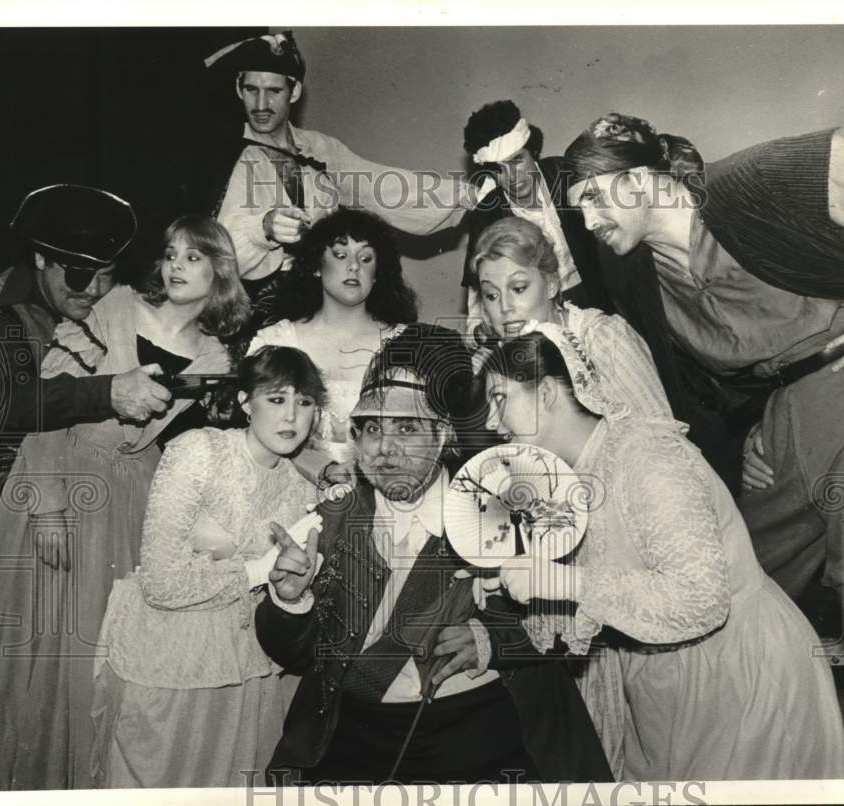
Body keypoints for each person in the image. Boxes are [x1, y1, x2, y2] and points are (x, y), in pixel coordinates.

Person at [564, 113, 844, 777]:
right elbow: (699, 383)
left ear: (644, 176)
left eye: (595, 195)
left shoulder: (741, 189)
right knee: (740, 587)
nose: (589, 220)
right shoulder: (640, 276)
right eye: (578, 207)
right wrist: (753, 429)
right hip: (786, 416)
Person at [478, 330, 844, 780]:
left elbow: (700, 597)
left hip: (742, 677)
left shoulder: (646, 456)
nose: (491, 422)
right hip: (664, 687)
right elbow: (601, 597)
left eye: (499, 398)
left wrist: (561, 581)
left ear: (545, 393)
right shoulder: (572, 476)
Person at [254, 323, 612, 784]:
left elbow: (567, 623)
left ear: (443, 434)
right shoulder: (334, 518)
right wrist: (289, 601)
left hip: (478, 733)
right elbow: (296, 656)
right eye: (372, 428)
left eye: (407, 427)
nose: (385, 449)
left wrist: (490, 638)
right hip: (352, 739)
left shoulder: (502, 506)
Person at [0, 215, 247, 790]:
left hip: (134, 505)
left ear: (222, 273)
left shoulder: (218, 360)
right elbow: (45, 404)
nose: (175, 266)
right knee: (44, 653)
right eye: (171, 254)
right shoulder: (116, 308)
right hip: (62, 478)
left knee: (101, 659)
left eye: (193, 257)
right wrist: (46, 500)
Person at [91, 346, 330, 788]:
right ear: (245, 402)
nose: (291, 416)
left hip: (245, 673)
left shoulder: (303, 490)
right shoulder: (199, 450)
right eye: (276, 399)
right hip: (168, 662)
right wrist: (255, 572)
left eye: (305, 402)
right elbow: (160, 582)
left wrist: (290, 584)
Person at [206, 32, 474, 334]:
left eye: (274, 91)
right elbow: (216, 256)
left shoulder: (319, 149)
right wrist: (264, 228)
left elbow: (379, 186)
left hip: (323, 305)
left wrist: (467, 195)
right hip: (258, 318)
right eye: (251, 90)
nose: (261, 104)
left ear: (294, 92)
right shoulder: (227, 155)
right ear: (238, 89)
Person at [0, 184, 173, 527]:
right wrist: (107, 392)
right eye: (80, 275)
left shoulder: (116, 308)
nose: (94, 291)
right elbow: (1, 401)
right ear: (40, 259)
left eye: (106, 276)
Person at [247, 208, 417, 488]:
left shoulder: (405, 344)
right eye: (340, 255)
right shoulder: (276, 341)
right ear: (316, 265)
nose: (354, 267)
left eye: (366, 258)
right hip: (287, 489)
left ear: (377, 274)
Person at [470, 216, 682, 429]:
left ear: (551, 284)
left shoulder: (604, 340)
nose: (505, 307)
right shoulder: (496, 367)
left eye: (518, 288)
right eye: (491, 295)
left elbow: (661, 436)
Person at [461, 101, 610, 339]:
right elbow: (480, 294)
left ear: (533, 153)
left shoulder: (567, 177)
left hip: (600, 297)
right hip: (534, 315)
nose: (511, 176)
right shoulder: (486, 215)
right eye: (499, 169)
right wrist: (478, 333)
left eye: (517, 160)